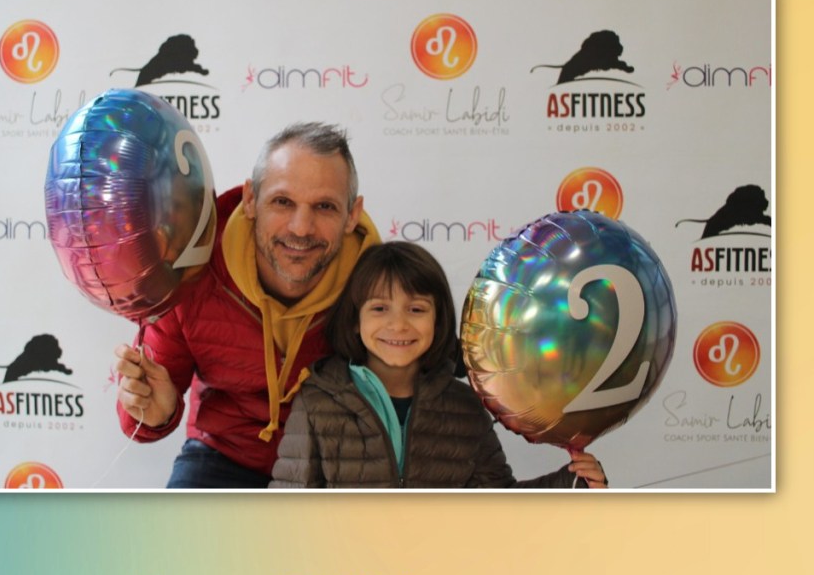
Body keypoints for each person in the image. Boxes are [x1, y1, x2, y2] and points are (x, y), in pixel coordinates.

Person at [114, 122, 381, 488]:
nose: (301, 228)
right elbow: (148, 407)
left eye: (324, 206)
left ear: (352, 214)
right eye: (282, 202)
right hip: (223, 452)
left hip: (332, 463)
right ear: (251, 199)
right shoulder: (192, 268)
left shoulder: (379, 286)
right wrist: (154, 411)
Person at [270, 242, 608, 490]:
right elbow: (289, 515)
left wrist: (571, 484)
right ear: (355, 321)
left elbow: (498, 506)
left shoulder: (465, 407)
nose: (398, 325)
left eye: (416, 309)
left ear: (438, 319)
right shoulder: (318, 402)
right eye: (379, 309)